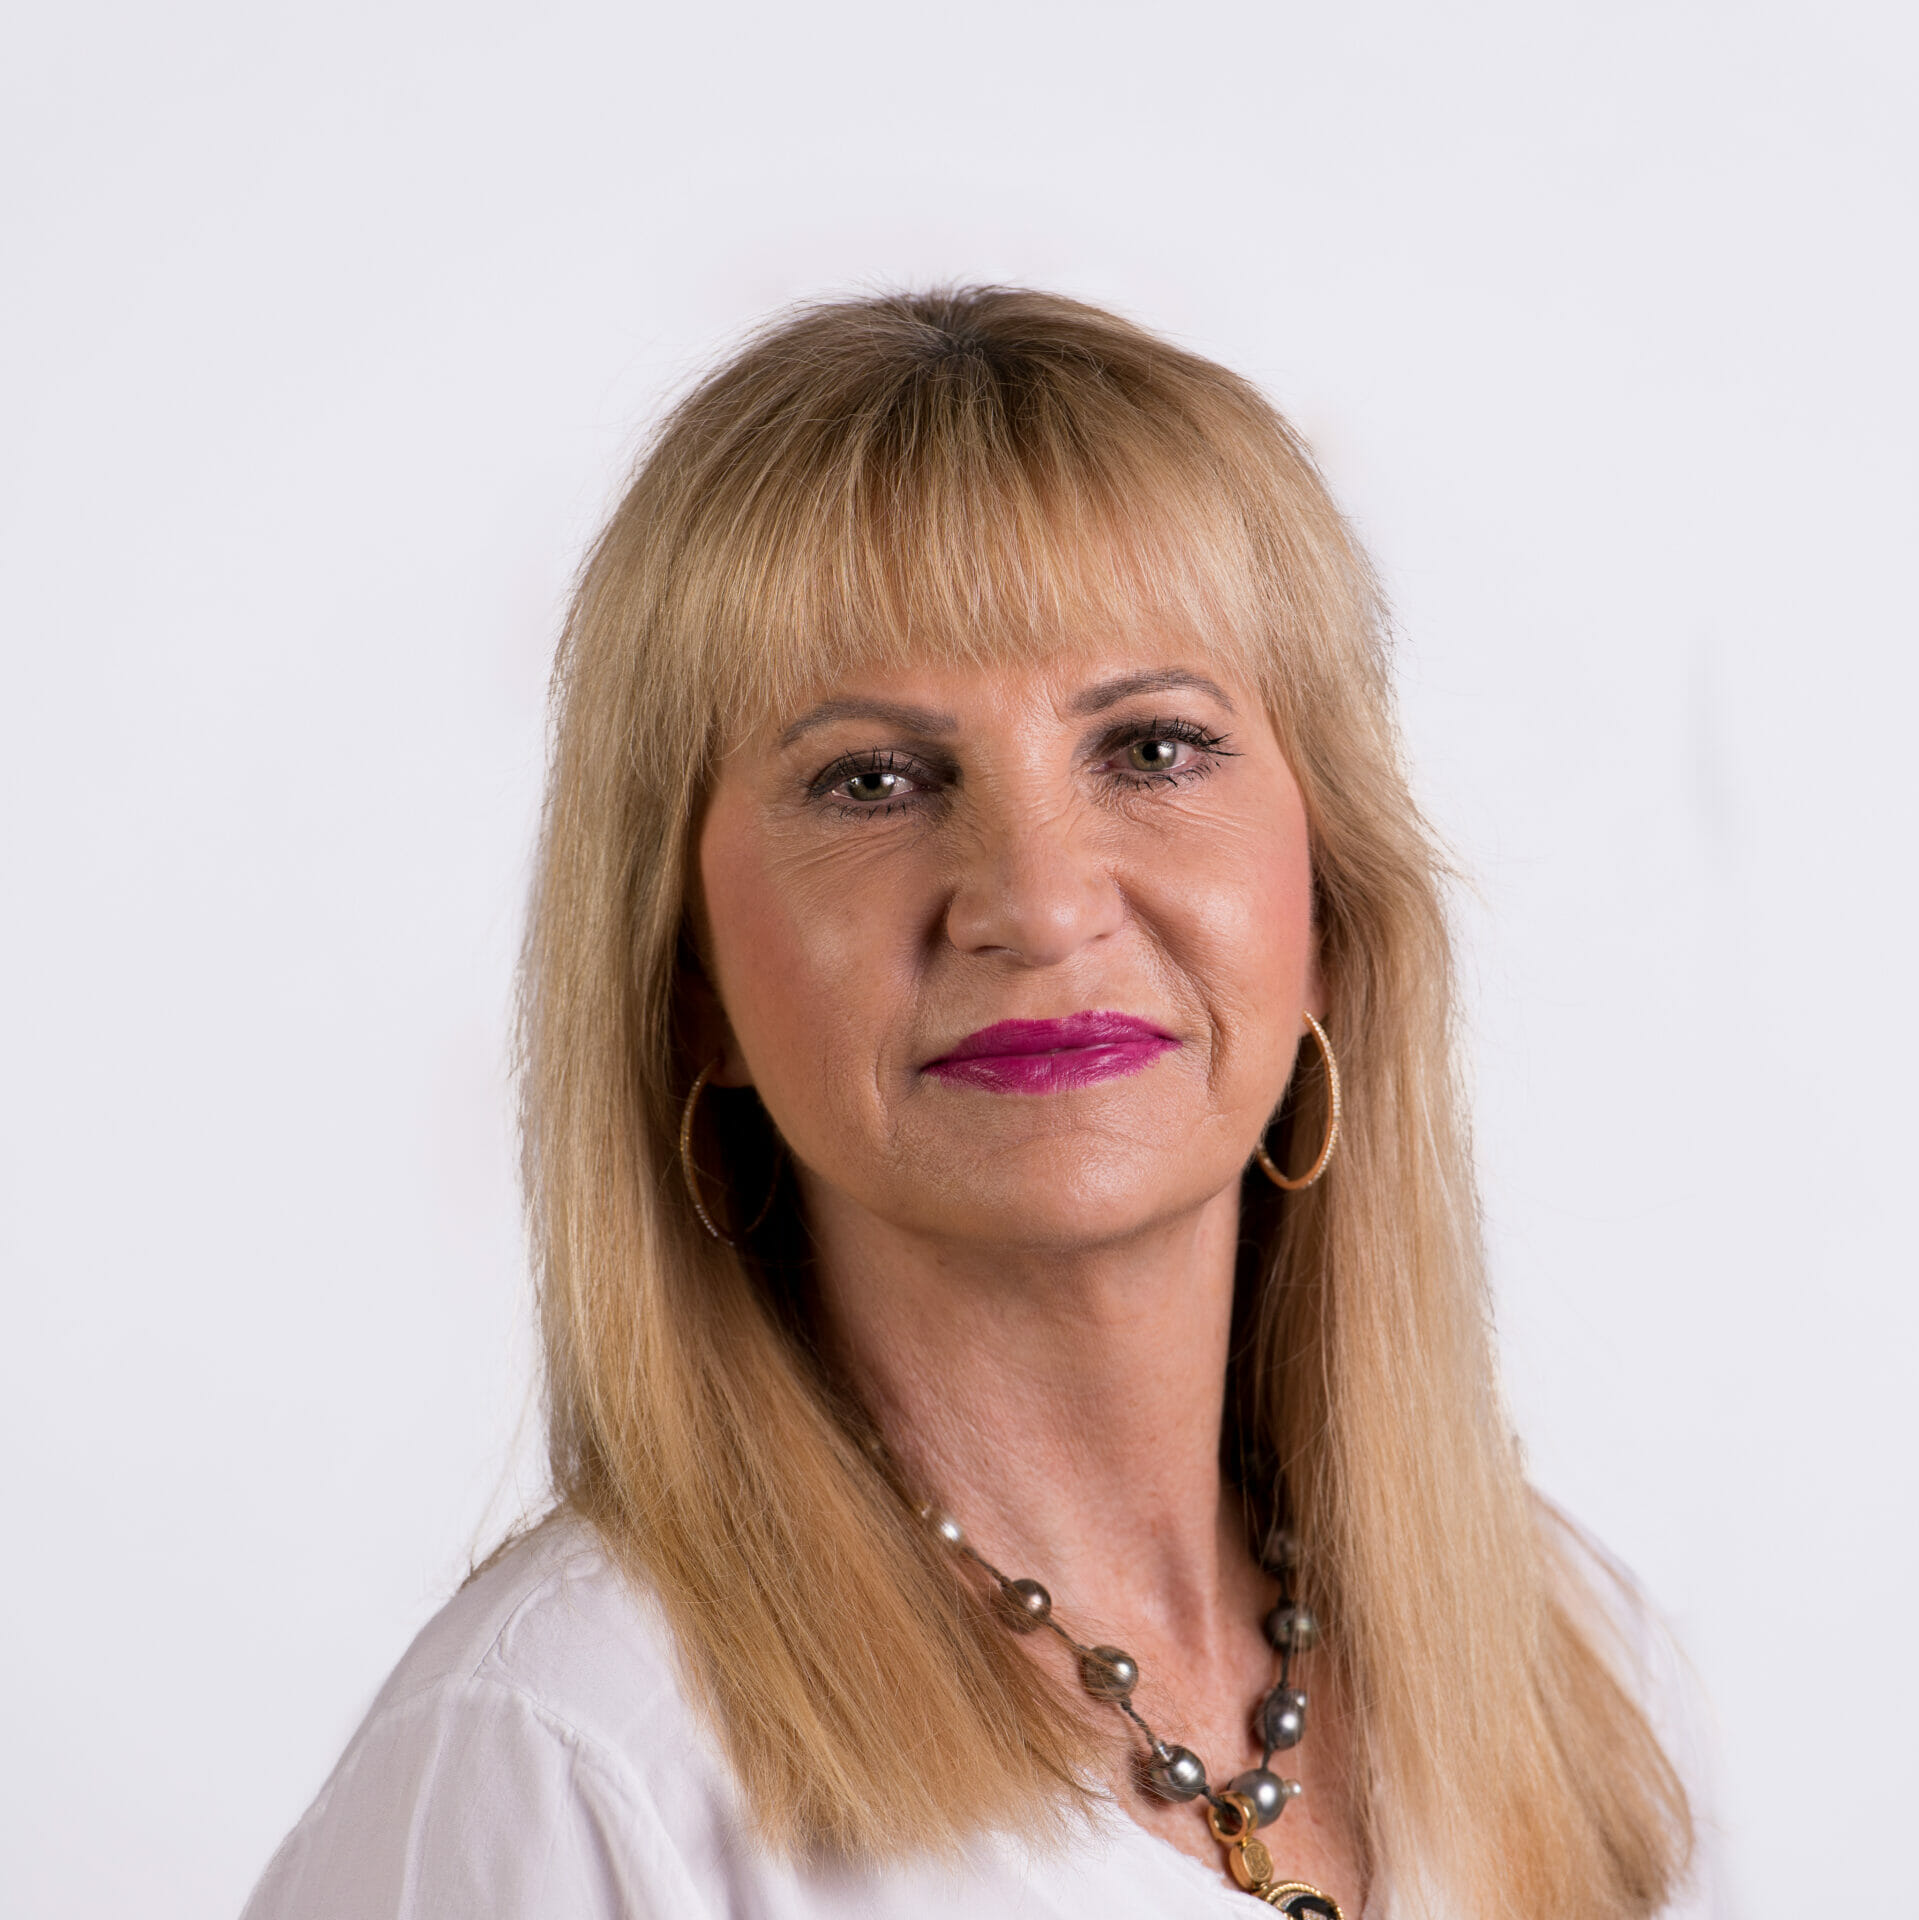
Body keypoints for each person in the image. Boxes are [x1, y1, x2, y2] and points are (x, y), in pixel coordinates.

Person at [242, 287, 1717, 1919]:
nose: (1035, 900)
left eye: (1153, 748)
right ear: (694, 989)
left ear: (1329, 917)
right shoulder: (569, 1759)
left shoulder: (1577, 1667)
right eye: (873, 780)